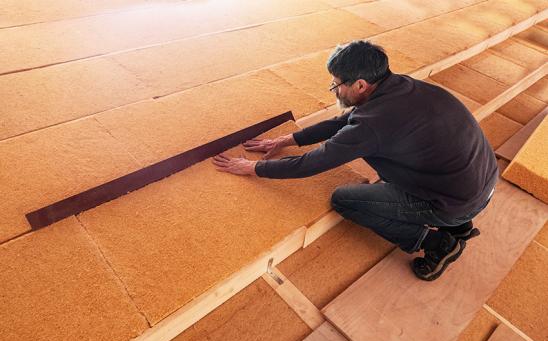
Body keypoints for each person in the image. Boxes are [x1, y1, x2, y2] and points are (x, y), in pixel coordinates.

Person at [212, 40, 498, 281]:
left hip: (453, 202)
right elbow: (345, 121)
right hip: (481, 181)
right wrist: (287, 140)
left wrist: (254, 168)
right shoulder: (398, 86)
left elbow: (314, 163)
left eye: (336, 85)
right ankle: (459, 226)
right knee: (393, 164)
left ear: (360, 84)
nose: (334, 90)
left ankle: (437, 243)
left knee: (345, 199)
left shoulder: (374, 123)